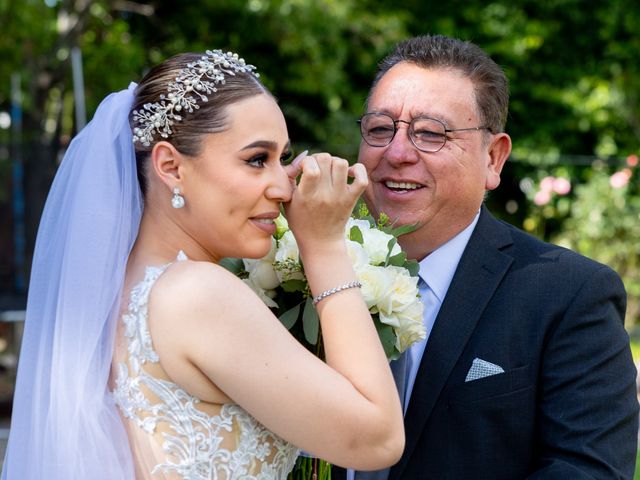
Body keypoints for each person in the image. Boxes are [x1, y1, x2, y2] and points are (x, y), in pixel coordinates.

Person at [1, 49, 405, 479]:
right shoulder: (198, 294)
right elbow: (377, 439)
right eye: (256, 160)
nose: (282, 187)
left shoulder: (119, 289)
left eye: (283, 159)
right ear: (171, 167)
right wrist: (324, 248)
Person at [338, 34, 639, 479]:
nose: (397, 153)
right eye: (381, 129)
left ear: (494, 159)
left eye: (430, 133)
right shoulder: (310, 272)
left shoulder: (569, 294)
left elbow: (584, 471)